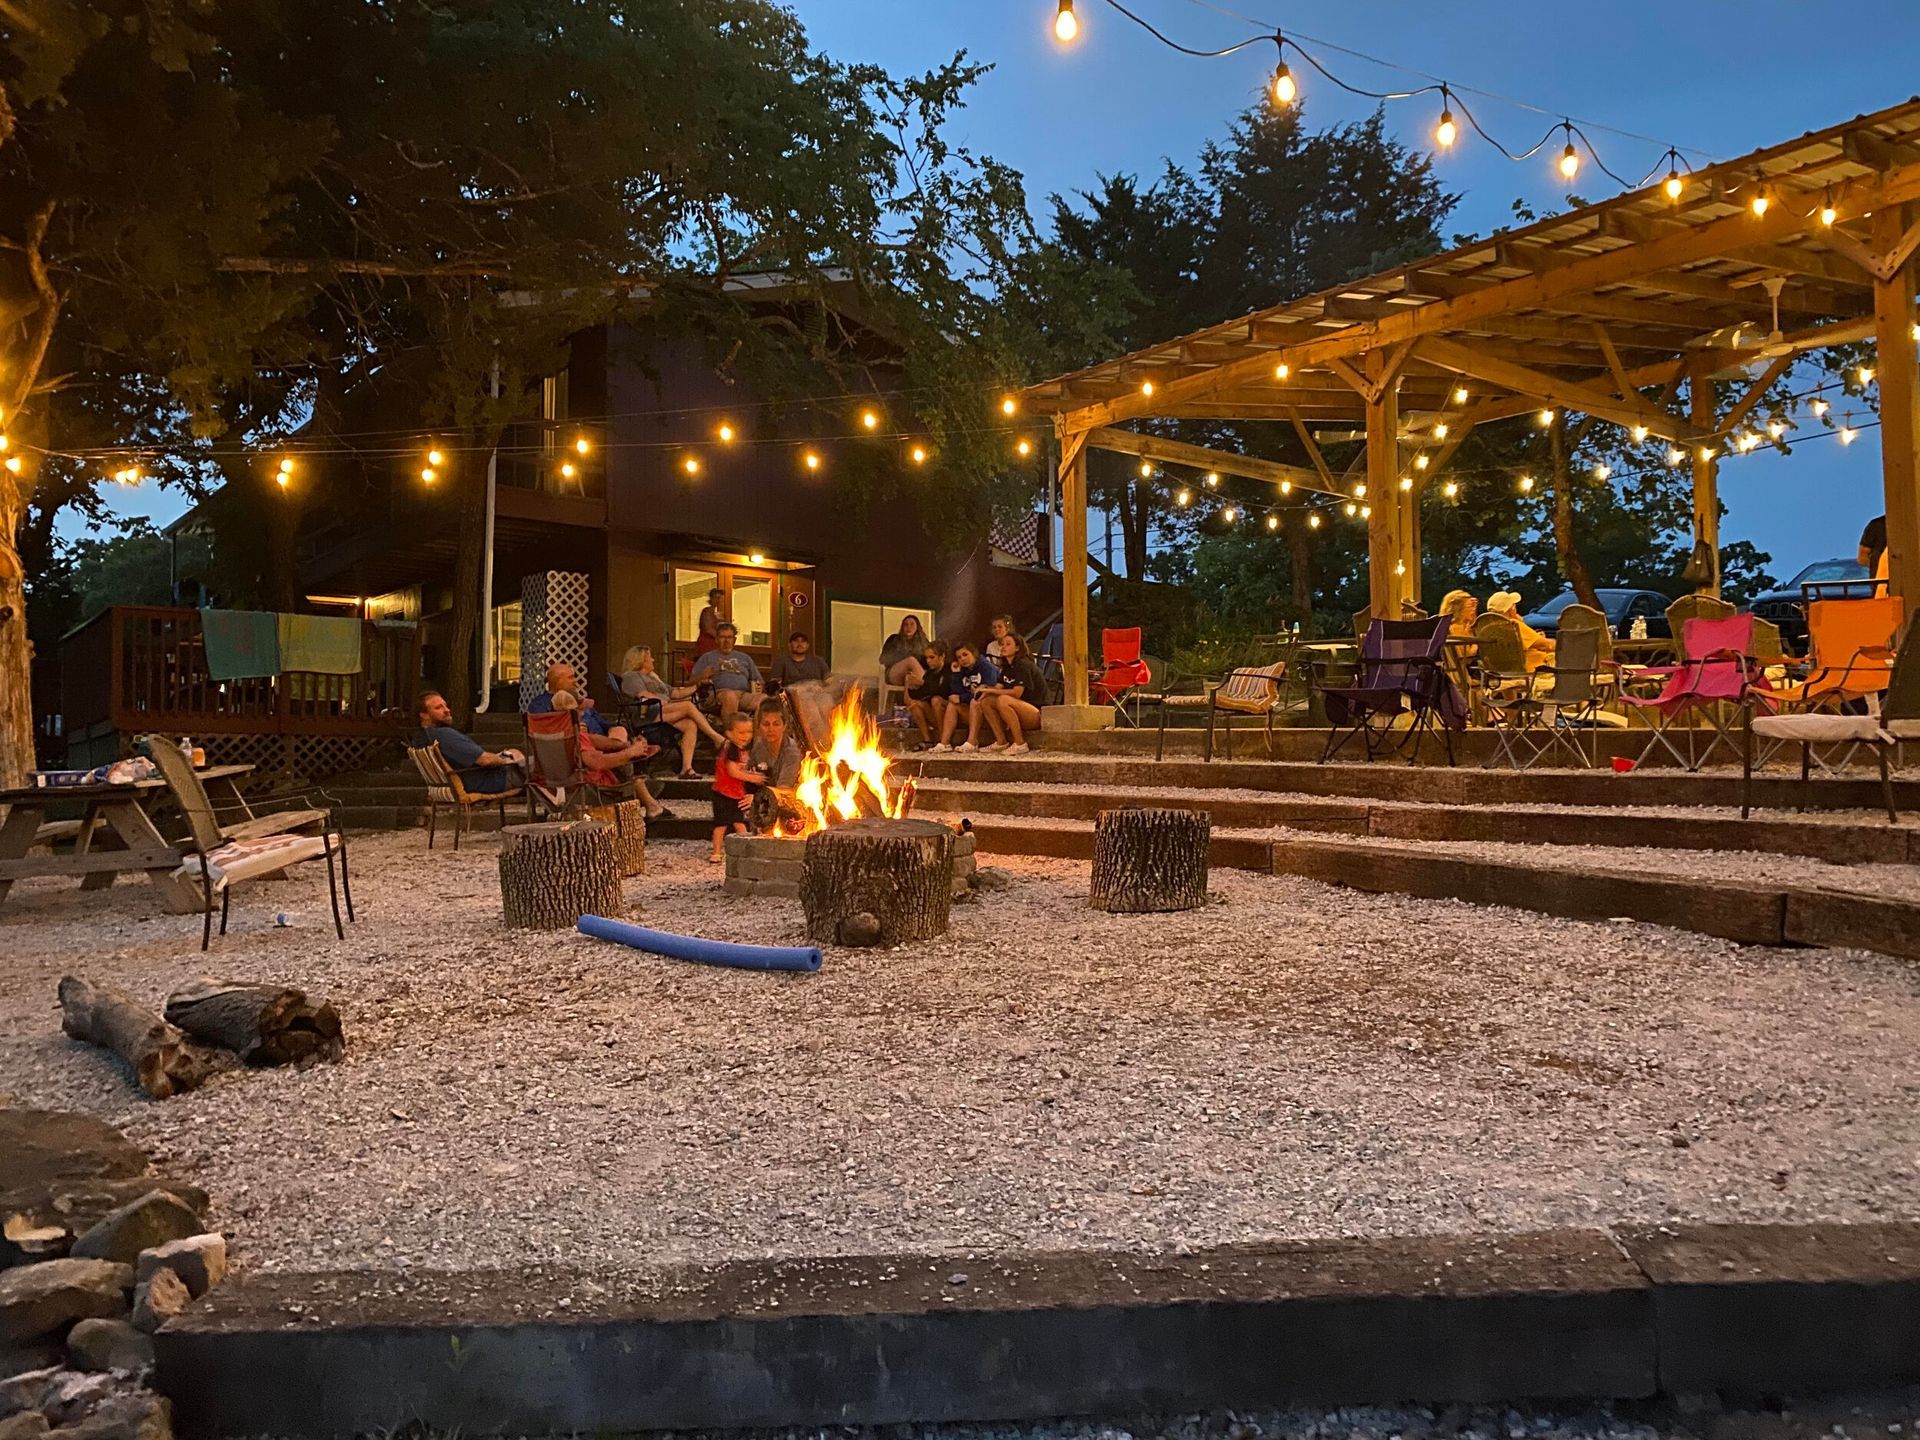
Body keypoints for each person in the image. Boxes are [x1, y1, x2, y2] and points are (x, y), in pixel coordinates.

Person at [619, 644, 723, 779]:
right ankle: (716, 738)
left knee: (689, 724)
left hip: (663, 711)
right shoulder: (632, 676)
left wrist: (698, 685)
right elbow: (643, 695)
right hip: (646, 714)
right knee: (687, 706)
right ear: (641, 660)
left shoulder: (654, 677)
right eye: (650, 657)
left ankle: (686, 769)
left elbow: (676, 693)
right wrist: (666, 702)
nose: (653, 660)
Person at [412, 691, 525, 793]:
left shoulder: (420, 739)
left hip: (467, 780)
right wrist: (509, 758)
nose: (447, 710)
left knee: (534, 768)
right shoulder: (444, 735)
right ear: (424, 714)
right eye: (438, 708)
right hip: (489, 781)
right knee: (537, 766)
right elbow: (485, 760)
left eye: (446, 706)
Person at [708, 712, 763, 862]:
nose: (746, 736)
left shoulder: (745, 749)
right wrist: (753, 778)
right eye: (741, 732)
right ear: (729, 733)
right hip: (723, 793)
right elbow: (733, 771)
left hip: (737, 793)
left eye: (749, 732)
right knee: (721, 825)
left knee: (739, 823)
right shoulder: (730, 748)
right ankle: (717, 851)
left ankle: (745, 851)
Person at [978, 634, 1045, 754]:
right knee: (986, 701)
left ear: (1017, 647)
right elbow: (998, 687)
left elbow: (1016, 693)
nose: (1003, 647)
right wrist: (985, 688)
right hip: (1019, 709)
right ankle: (1001, 741)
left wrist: (991, 691)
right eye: (1002, 644)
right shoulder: (1007, 666)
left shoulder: (1023, 665)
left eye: (1008, 644)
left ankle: (1020, 743)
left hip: (1036, 713)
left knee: (1003, 699)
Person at [930, 641, 1000, 753]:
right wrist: (956, 674)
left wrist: (962, 698)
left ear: (974, 654)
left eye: (965, 655)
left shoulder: (987, 668)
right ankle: (944, 743)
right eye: (959, 657)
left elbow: (984, 693)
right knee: (952, 704)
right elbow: (955, 694)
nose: (962, 659)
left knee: (975, 701)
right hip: (971, 710)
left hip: (988, 711)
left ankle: (972, 741)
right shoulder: (962, 669)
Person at [689, 622, 764, 722]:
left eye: (729, 637)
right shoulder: (707, 657)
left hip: (743, 695)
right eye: (722, 637)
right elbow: (690, 682)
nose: (726, 641)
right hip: (718, 694)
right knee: (730, 696)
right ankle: (732, 734)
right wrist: (703, 676)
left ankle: (757, 735)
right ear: (716, 639)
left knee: (764, 699)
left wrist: (759, 686)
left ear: (734, 640)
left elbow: (759, 681)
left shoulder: (745, 658)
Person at [1485, 591, 1554, 671]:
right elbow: (1547, 645)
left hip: (1502, 671)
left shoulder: (1488, 628)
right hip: (1535, 669)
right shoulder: (1513, 626)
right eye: (1514, 605)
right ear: (1511, 609)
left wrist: (1535, 636)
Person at [749, 699, 804, 788]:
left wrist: (757, 797)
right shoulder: (759, 746)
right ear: (759, 725)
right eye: (766, 724)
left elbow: (784, 788)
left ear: (784, 726)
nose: (771, 729)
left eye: (776, 724)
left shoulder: (792, 752)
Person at [906, 639, 950, 746]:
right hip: (934, 712)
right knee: (914, 705)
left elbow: (943, 691)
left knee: (936, 701)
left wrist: (922, 683)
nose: (928, 661)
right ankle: (927, 740)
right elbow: (921, 695)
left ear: (942, 656)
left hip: (949, 712)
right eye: (926, 658)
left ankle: (943, 740)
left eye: (932, 657)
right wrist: (912, 687)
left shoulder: (949, 670)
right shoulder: (929, 673)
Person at [879, 614, 931, 691]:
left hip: (913, 674)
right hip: (894, 673)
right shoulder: (894, 639)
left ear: (917, 627)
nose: (909, 627)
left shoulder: (924, 642)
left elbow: (928, 661)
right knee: (911, 660)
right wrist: (905, 658)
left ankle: (918, 698)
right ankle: (928, 687)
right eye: (906, 624)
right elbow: (883, 659)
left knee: (912, 675)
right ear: (902, 627)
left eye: (912, 624)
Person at [695, 587, 726, 657]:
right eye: (717, 598)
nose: (719, 600)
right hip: (707, 644)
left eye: (721, 598)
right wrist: (721, 637)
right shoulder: (707, 611)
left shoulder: (717, 614)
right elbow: (708, 629)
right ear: (711, 599)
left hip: (715, 645)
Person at [1859, 514, 1890, 582]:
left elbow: (1862, 558)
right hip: (1880, 581)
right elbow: (1862, 558)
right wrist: (1880, 569)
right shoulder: (1876, 525)